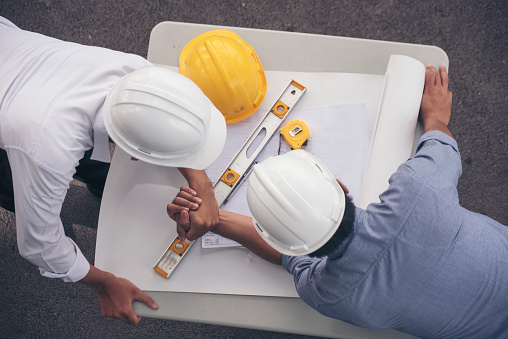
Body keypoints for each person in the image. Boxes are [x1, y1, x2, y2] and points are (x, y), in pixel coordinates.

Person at [168, 65, 508, 338]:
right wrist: (435, 117)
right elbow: (441, 146)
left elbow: (288, 258)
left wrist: (217, 220)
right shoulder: (417, 192)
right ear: (340, 184)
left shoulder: (333, 295)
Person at [0, 16, 226, 325]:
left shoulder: (140, 75)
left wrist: (201, 181)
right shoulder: (47, 150)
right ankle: (63, 227)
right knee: (32, 209)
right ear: (134, 151)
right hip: (26, 129)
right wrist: (103, 282)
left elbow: (165, 119)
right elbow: (39, 245)